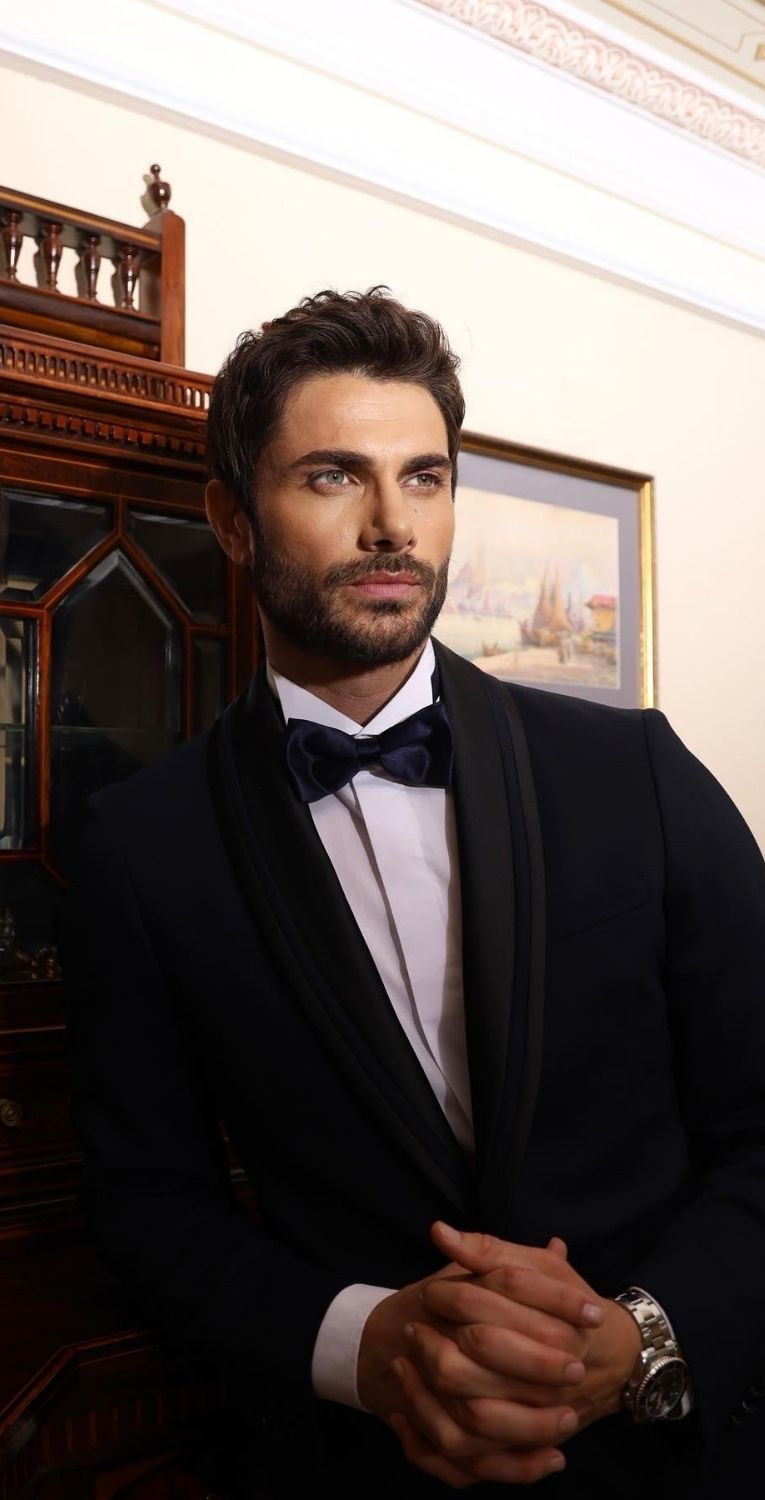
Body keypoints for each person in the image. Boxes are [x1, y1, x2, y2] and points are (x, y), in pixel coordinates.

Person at [64, 289, 765, 1499]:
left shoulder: (638, 771)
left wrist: (645, 1337)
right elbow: (146, 1205)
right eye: (334, 477)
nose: (393, 525)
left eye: (424, 478)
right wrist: (364, 1347)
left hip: (680, 1462)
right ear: (233, 522)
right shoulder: (138, 846)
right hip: (362, 1473)